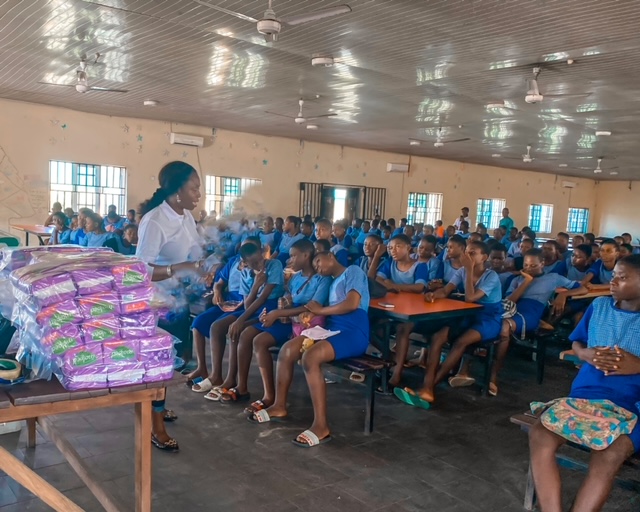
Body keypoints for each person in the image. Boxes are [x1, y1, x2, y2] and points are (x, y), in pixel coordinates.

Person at [529, 255, 640, 512]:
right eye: (614, 275)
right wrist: (585, 354)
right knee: (540, 434)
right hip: (586, 395)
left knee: (609, 454)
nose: (614, 281)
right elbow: (577, 343)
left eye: (623, 278)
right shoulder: (599, 306)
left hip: (631, 404)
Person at [252, 252, 370, 449]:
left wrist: (319, 311)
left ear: (331, 257)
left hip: (353, 329)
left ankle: (321, 426)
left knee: (311, 357)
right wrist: (309, 314)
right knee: (288, 349)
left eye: (318, 261)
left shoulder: (353, 271)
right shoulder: (330, 281)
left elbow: (351, 303)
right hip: (332, 327)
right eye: (314, 264)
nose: (317, 267)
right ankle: (279, 406)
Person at [136, 161, 206, 452]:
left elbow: (193, 252)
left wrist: (204, 265)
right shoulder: (154, 221)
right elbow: (140, 270)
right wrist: (181, 267)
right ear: (177, 191)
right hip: (155, 302)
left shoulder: (185, 216)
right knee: (158, 363)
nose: (199, 194)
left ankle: (159, 407)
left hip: (178, 299)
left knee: (172, 359)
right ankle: (155, 426)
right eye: (194, 188)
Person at [396, 241, 503, 407]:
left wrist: (468, 270)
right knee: (438, 337)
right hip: (466, 314)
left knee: (461, 341)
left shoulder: (491, 276)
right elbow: (446, 290)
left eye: (472, 253)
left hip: (487, 317)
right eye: (466, 252)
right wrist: (434, 295)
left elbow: (470, 298)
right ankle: (427, 388)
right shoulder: (462, 271)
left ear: (484, 257)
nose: (467, 257)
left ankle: (429, 387)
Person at [239, 239, 331, 413]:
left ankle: (279, 404)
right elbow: (287, 300)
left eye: (293, 256)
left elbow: (312, 306)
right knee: (258, 341)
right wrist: (272, 313)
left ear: (306, 255)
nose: (290, 261)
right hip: (291, 324)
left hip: (311, 327)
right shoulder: (295, 278)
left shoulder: (321, 279)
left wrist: (278, 314)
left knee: (281, 348)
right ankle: (268, 396)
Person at [490, 249, 588, 394]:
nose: (528, 269)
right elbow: (509, 301)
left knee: (504, 327)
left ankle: (493, 375)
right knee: (486, 323)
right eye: (526, 265)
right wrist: (526, 281)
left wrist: (564, 295)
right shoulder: (517, 279)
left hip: (531, 313)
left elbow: (582, 288)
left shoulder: (553, 278)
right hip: (512, 309)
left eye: (533, 266)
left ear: (542, 264)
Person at [205, 243, 285, 404]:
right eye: (253, 263)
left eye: (260, 260)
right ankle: (229, 378)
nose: (259, 265)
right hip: (252, 309)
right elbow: (248, 305)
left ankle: (242, 386)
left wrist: (241, 320)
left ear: (263, 254)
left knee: (242, 330)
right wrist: (255, 285)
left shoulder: (274, 265)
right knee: (221, 327)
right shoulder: (246, 273)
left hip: (270, 308)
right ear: (245, 263)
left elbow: (263, 298)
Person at [188, 237, 260, 388]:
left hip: (246, 305)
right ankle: (202, 368)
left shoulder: (257, 267)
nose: (246, 253)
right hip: (229, 301)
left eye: (250, 249)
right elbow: (219, 281)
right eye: (244, 248)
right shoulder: (234, 262)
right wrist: (217, 291)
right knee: (198, 323)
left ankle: (219, 376)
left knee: (218, 327)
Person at [376, 235, 431, 388]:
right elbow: (377, 279)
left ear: (408, 248)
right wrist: (389, 284)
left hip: (415, 312)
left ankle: (397, 371)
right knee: (375, 324)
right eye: (390, 248)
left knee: (403, 329)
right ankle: (391, 356)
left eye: (398, 246)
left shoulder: (419, 266)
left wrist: (394, 286)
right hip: (393, 308)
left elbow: (419, 287)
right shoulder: (389, 263)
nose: (393, 250)